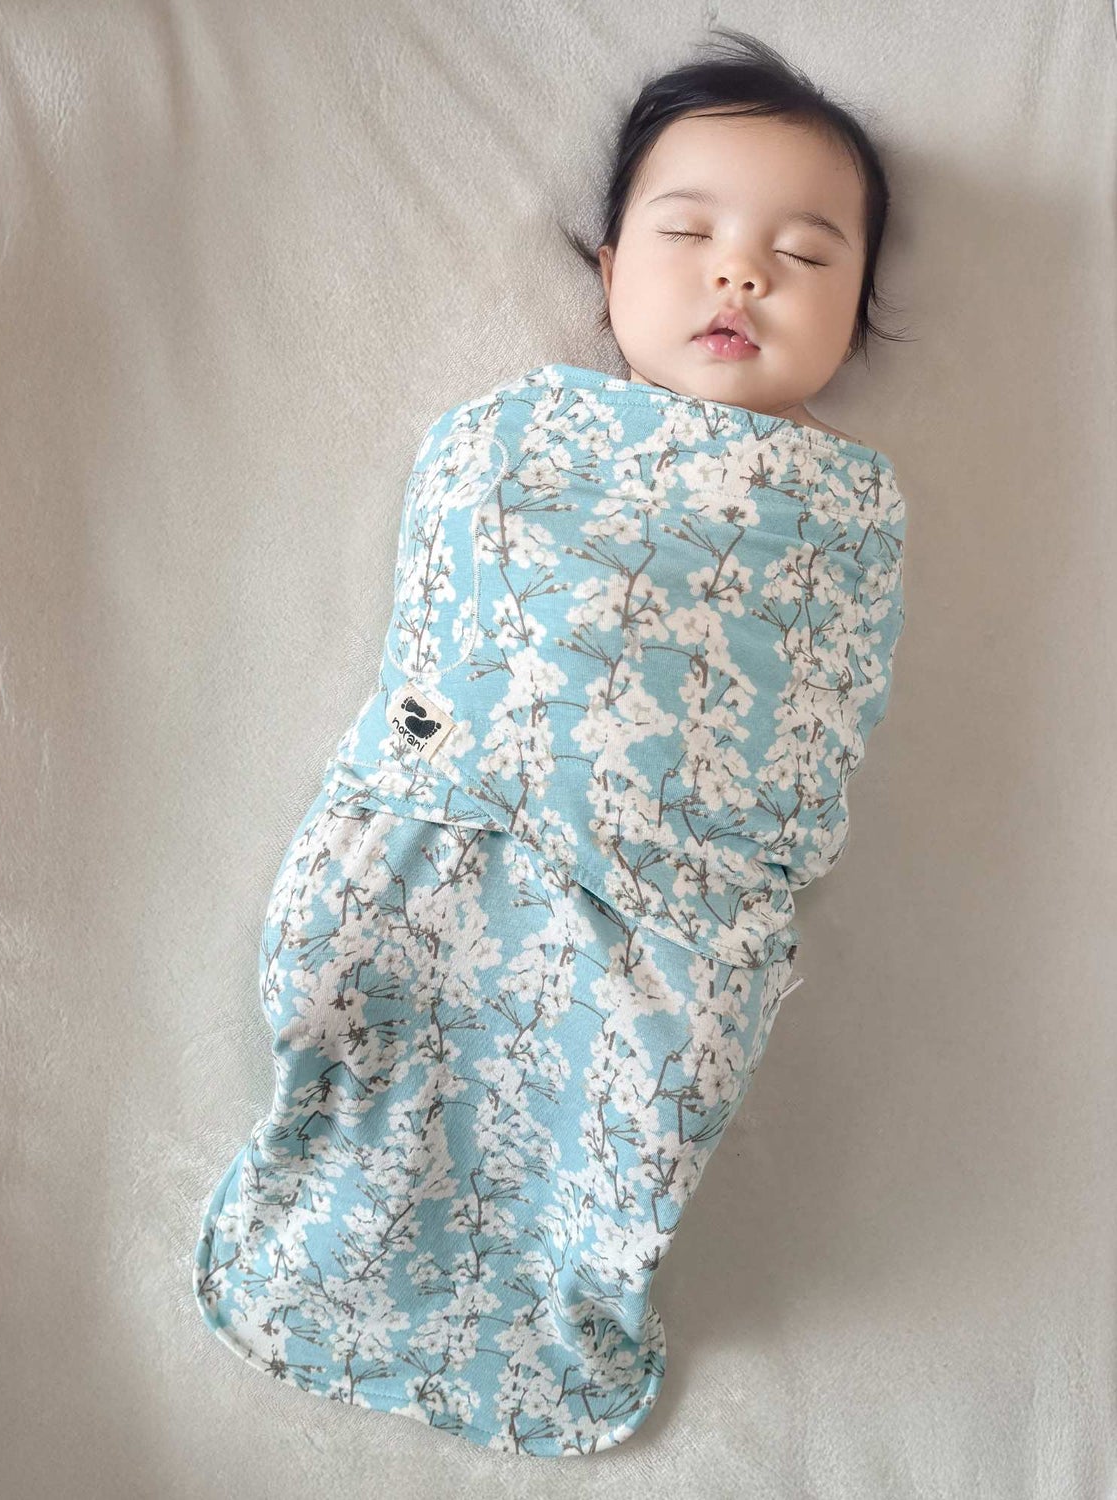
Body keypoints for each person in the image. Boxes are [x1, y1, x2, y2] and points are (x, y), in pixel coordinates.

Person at [192, 28, 910, 1457]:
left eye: (808, 256)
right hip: (455, 823)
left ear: (859, 313)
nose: (741, 272)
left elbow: (819, 724)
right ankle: (328, 1214)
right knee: (363, 981)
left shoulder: (843, 511)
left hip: (671, 901)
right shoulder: (515, 436)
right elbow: (438, 627)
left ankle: (569, 1290)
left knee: (634, 1096)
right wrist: (431, 761)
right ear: (605, 271)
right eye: (690, 231)